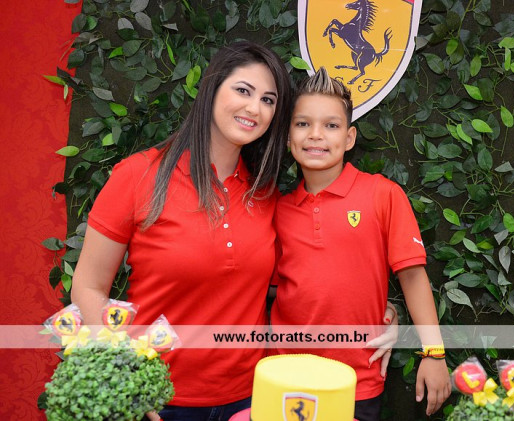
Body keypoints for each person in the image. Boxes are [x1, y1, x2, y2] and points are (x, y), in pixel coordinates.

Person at [70, 41, 293, 421]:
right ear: (212, 89)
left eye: (268, 100)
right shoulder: (138, 175)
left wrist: (376, 306)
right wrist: (129, 378)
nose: (255, 108)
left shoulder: (265, 193)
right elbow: (88, 287)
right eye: (243, 90)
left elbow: (293, 283)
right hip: (157, 400)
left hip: (250, 399)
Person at [270, 67, 451, 421]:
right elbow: (271, 288)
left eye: (331, 125)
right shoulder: (278, 210)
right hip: (284, 376)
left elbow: (412, 277)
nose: (316, 135)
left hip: (357, 381)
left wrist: (434, 353)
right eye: (303, 124)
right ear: (288, 137)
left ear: (350, 137)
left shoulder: (383, 194)